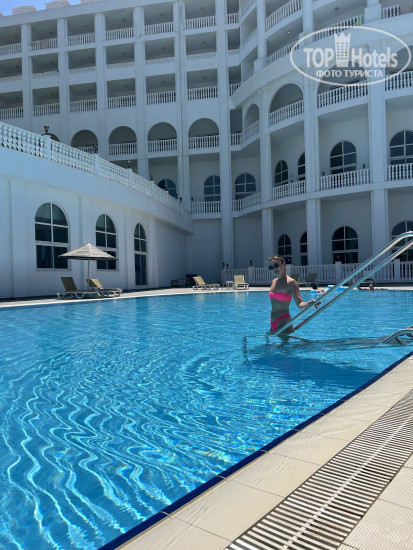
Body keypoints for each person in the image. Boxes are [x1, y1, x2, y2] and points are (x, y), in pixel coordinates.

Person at [267, 255, 319, 336]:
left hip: (284, 322)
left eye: (276, 265)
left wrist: (310, 303)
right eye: (271, 267)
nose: (274, 269)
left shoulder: (291, 282)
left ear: (283, 264)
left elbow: (300, 304)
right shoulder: (274, 281)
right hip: (272, 322)